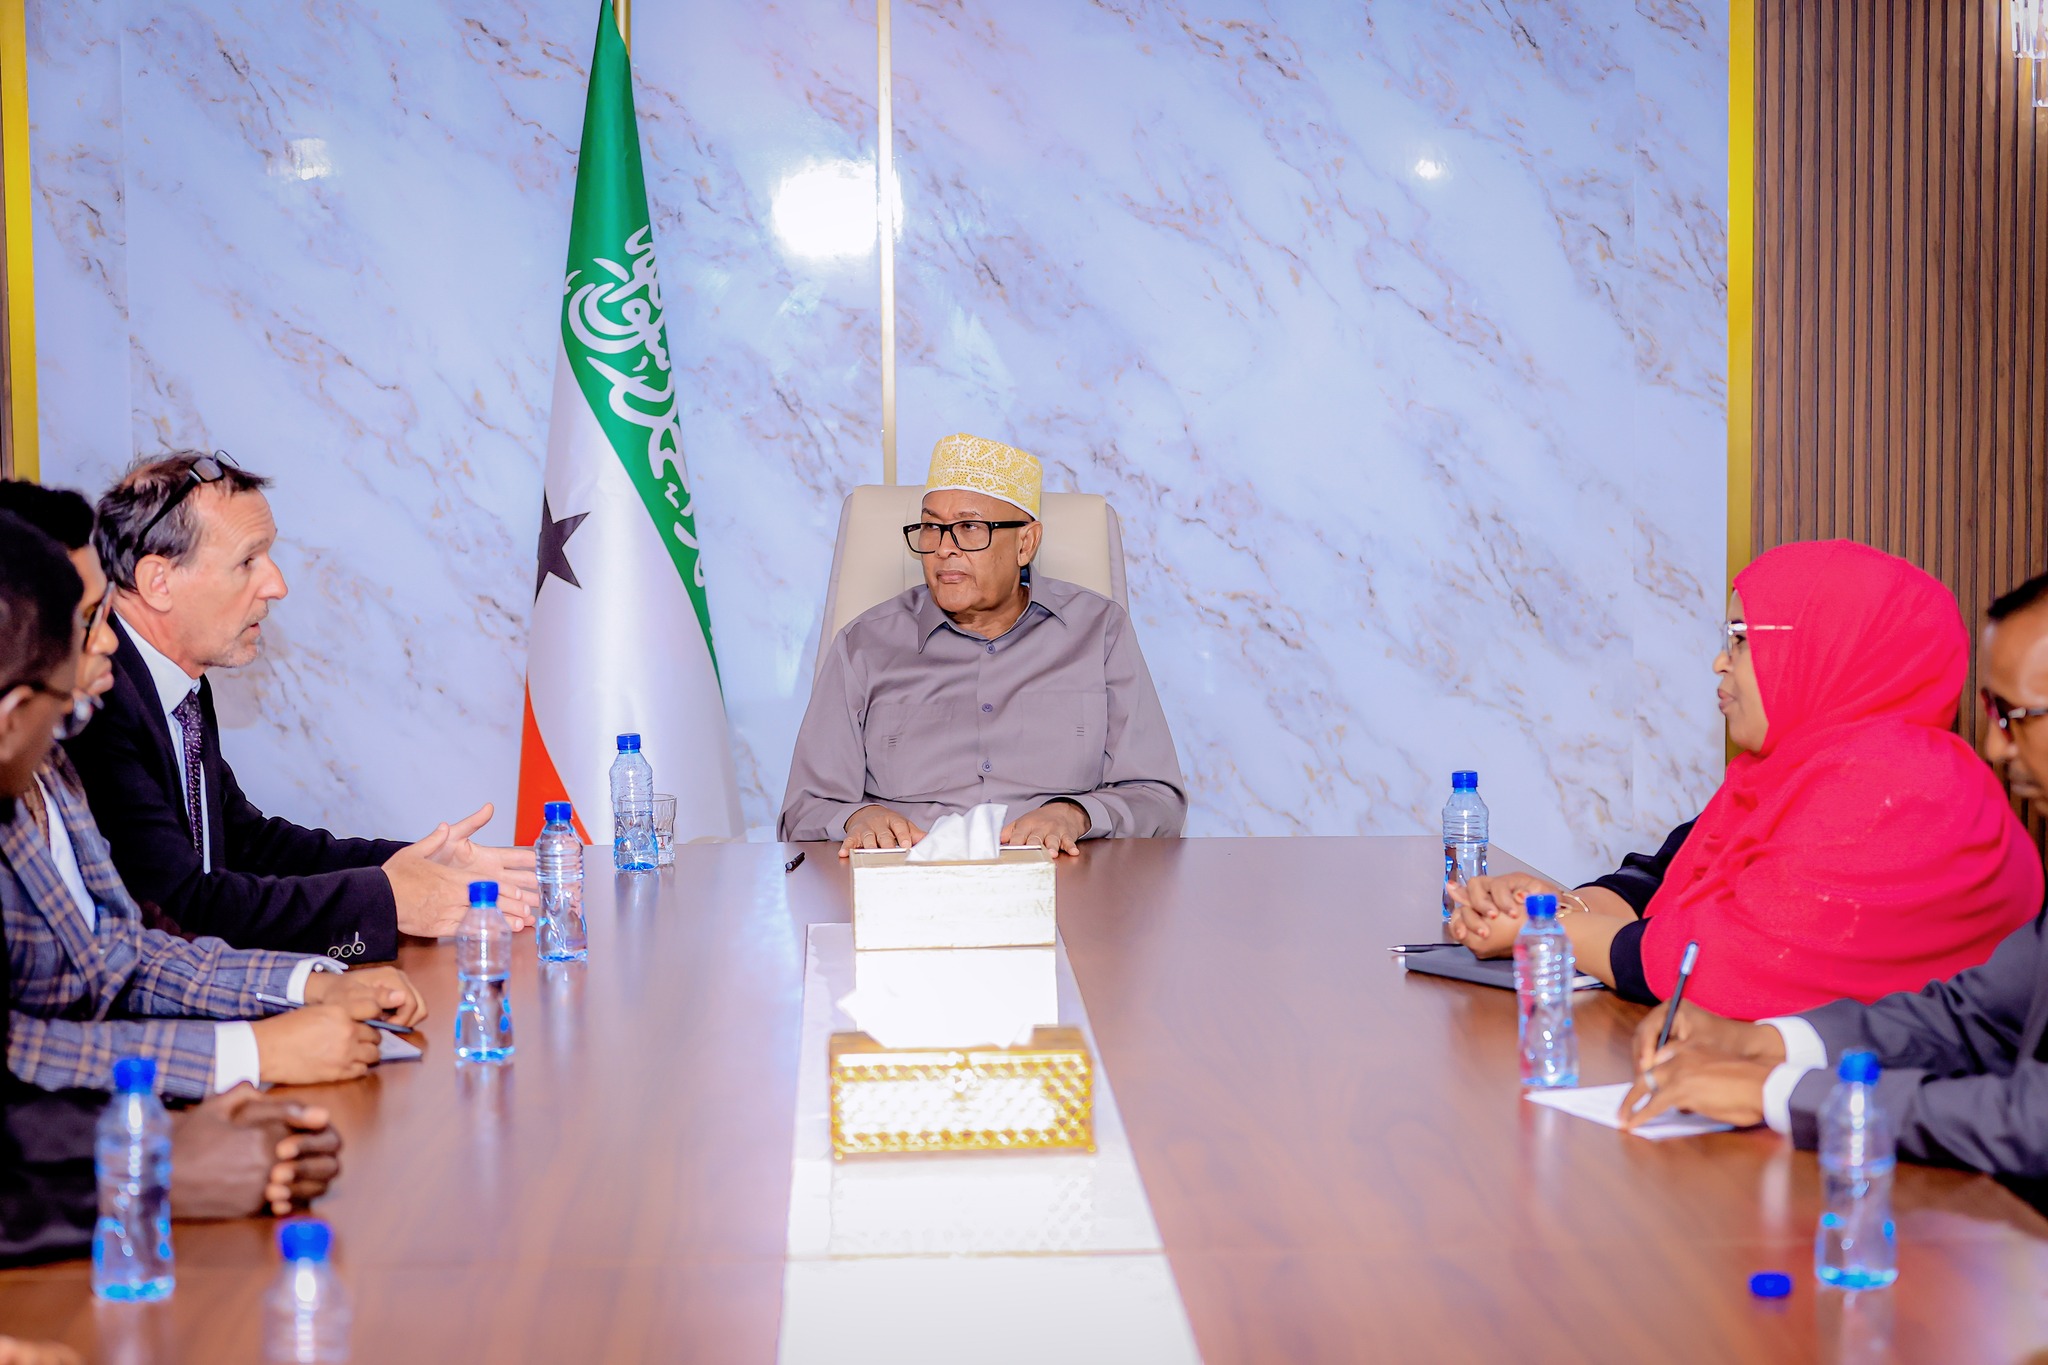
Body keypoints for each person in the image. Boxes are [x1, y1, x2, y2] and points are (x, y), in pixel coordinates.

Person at [1449, 541, 2042, 1019]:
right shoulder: (1785, 771)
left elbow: (1720, 963)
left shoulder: (1906, 790)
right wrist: (1549, 905)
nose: (1719, 661)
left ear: (1825, 649)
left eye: (1740, 639)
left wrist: (1547, 930)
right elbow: (1659, 878)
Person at [1621, 569, 2048, 1210]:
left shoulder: (1905, 786)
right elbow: (1969, 1019)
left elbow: (2032, 1122)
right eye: (1992, 712)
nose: (1994, 746)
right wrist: (1761, 1043)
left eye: (2016, 717)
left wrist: (1779, 1092)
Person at [0, 509, 421, 1098]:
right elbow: (18, 1047)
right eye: (87, 618)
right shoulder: (92, 727)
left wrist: (307, 982)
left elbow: (122, 950)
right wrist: (253, 1051)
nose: (108, 639)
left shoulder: (52, 765)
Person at [61, 455, 537, 960]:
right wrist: (389, 898)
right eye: (248, 561)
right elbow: (179, 908)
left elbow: (247, 846)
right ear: (159, 582)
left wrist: (414, 866)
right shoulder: (97, 703)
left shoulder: (175, 683)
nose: (278, 585)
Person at [780, 433, 1186, 856]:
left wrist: (1076, 814)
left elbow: (1158, 799)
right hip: (910, 881)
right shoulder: (864, 644)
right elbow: (803, 811)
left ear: (1026, 543)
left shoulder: (1099, 632)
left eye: (970, 528)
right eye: (932, 528)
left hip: (1061, 877)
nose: (944, 549)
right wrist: (856, 818)